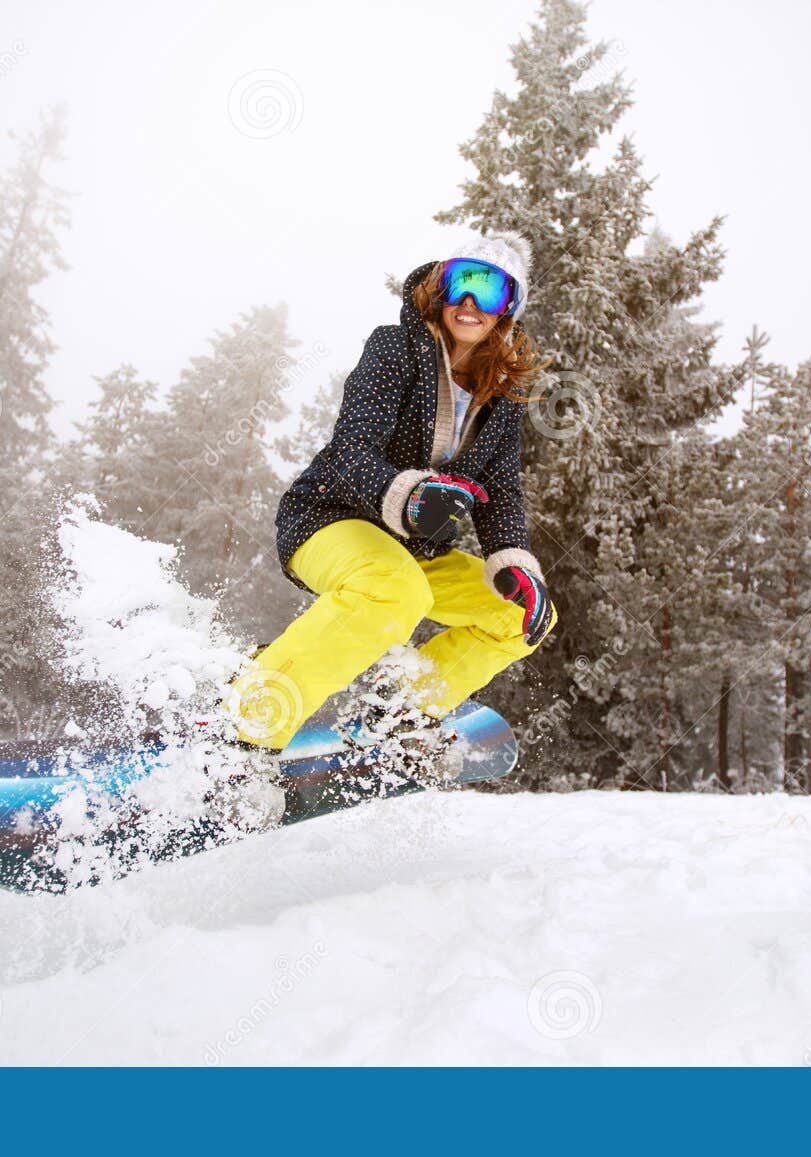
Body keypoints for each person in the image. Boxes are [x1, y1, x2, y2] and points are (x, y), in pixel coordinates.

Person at [217, 231, 558, 828]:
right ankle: (242, 735)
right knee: (395, 590)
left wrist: (513, 562)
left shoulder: (502, 398)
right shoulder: (396, 348)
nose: (470, 302)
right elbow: (352, 449)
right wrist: (409, 495)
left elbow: (502, 492)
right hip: (330, 517)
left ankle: (399, 713)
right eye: (461, 281)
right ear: (439, 286)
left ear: (509, 307)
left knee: (524, 617)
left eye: (490, 290)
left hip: (413, 551)